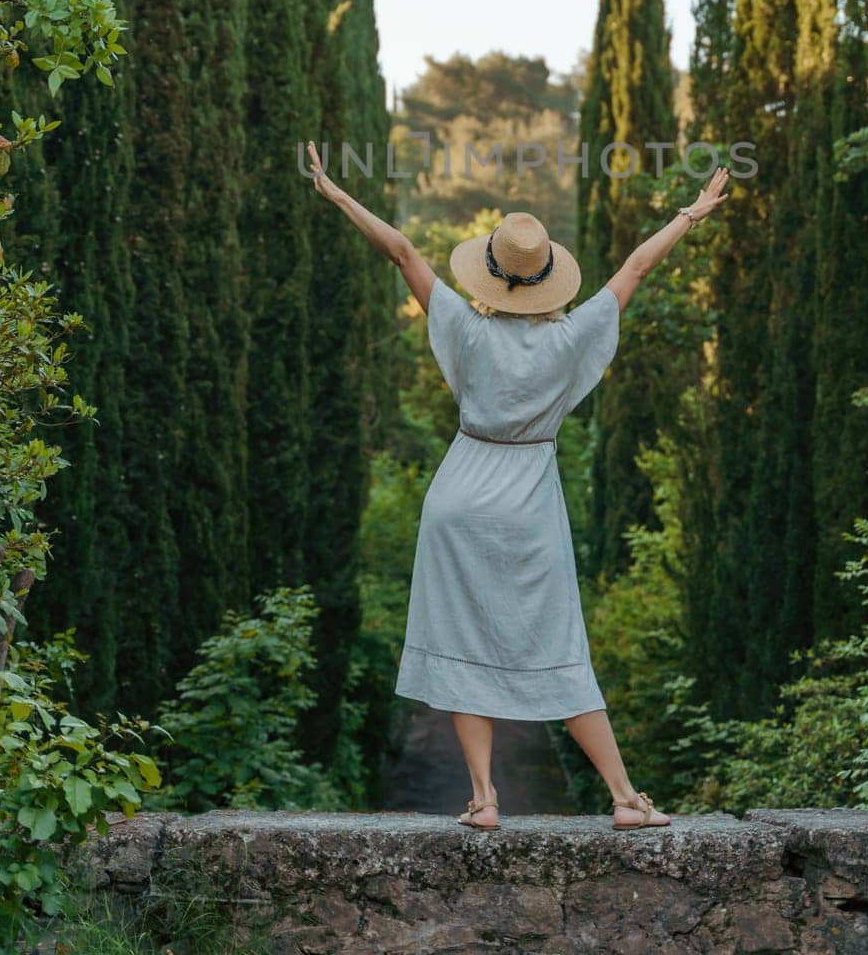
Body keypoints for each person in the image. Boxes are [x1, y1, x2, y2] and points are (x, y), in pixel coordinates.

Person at [306, 141, 729, 830]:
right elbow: (636, 265)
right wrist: (691, 213)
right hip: (527, 499)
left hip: (457, 495)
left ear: (492, 274)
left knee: (462, 637)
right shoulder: (572, 338)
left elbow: (403, 253)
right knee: (556, 640)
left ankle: (482, 799)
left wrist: (339, 194)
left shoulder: (466, 329)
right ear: (549, 277)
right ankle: (624, 798)